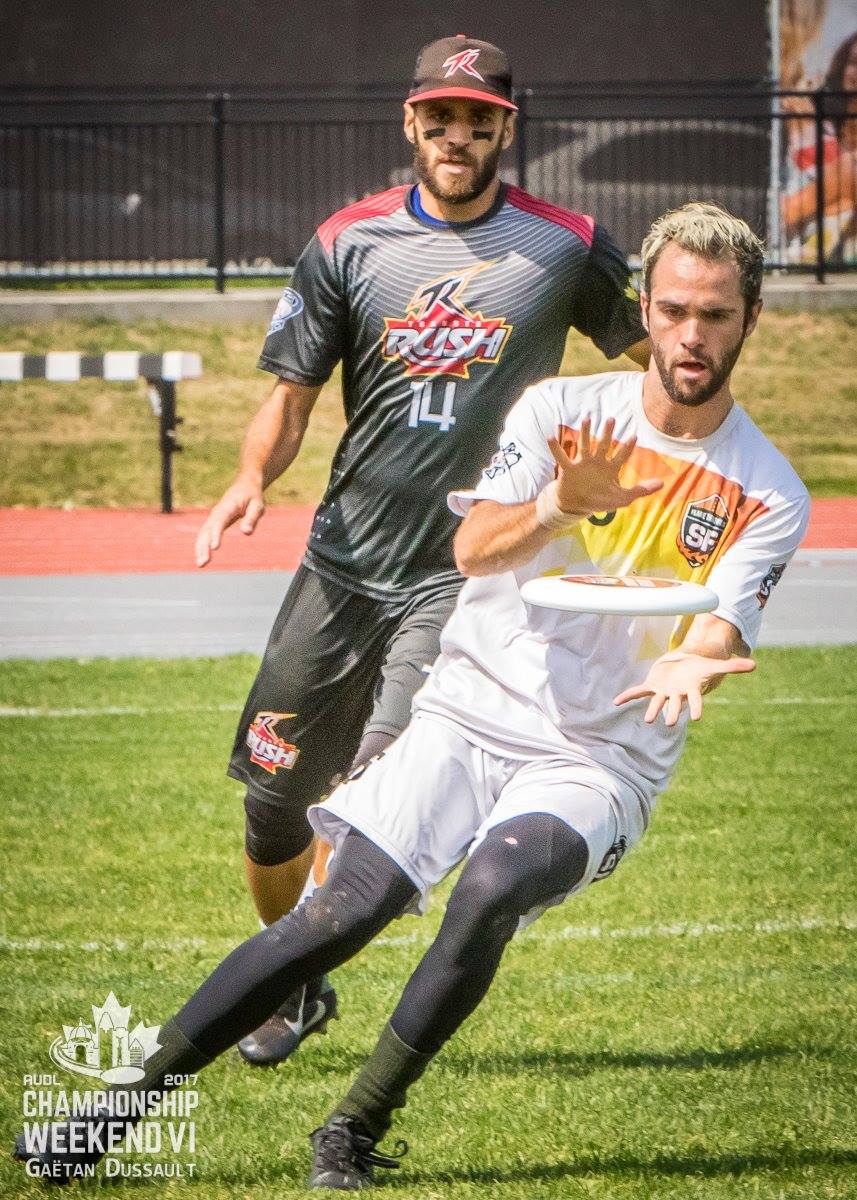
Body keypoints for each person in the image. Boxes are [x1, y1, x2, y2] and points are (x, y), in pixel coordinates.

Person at [15, 202, 809, 1189]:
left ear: (749, 319)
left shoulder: (768, 489)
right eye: (675, 310)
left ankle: (352, 1128)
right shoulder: (560, 414)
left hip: (599, 757)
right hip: (467, 713)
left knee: (492, 884)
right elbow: (471, 548)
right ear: (644, 308)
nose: (691, 336)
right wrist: (558, 504)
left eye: (716, 316)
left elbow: (723, 621)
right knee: (340, 912)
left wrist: (696, 659)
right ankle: (109, 1112)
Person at [193, 33, 648, 1064]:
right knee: (273, 804)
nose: (456, 135)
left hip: (464, 572)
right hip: (342, 564)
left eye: (477, 119)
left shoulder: (566, 245)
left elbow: (655, 358)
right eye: (439, 117)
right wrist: (249, 478)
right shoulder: (349, 241)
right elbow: (291, 395)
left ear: (504, 130)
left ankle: (297, 968)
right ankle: (294, 978)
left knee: (376, 792)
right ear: (410, 122)